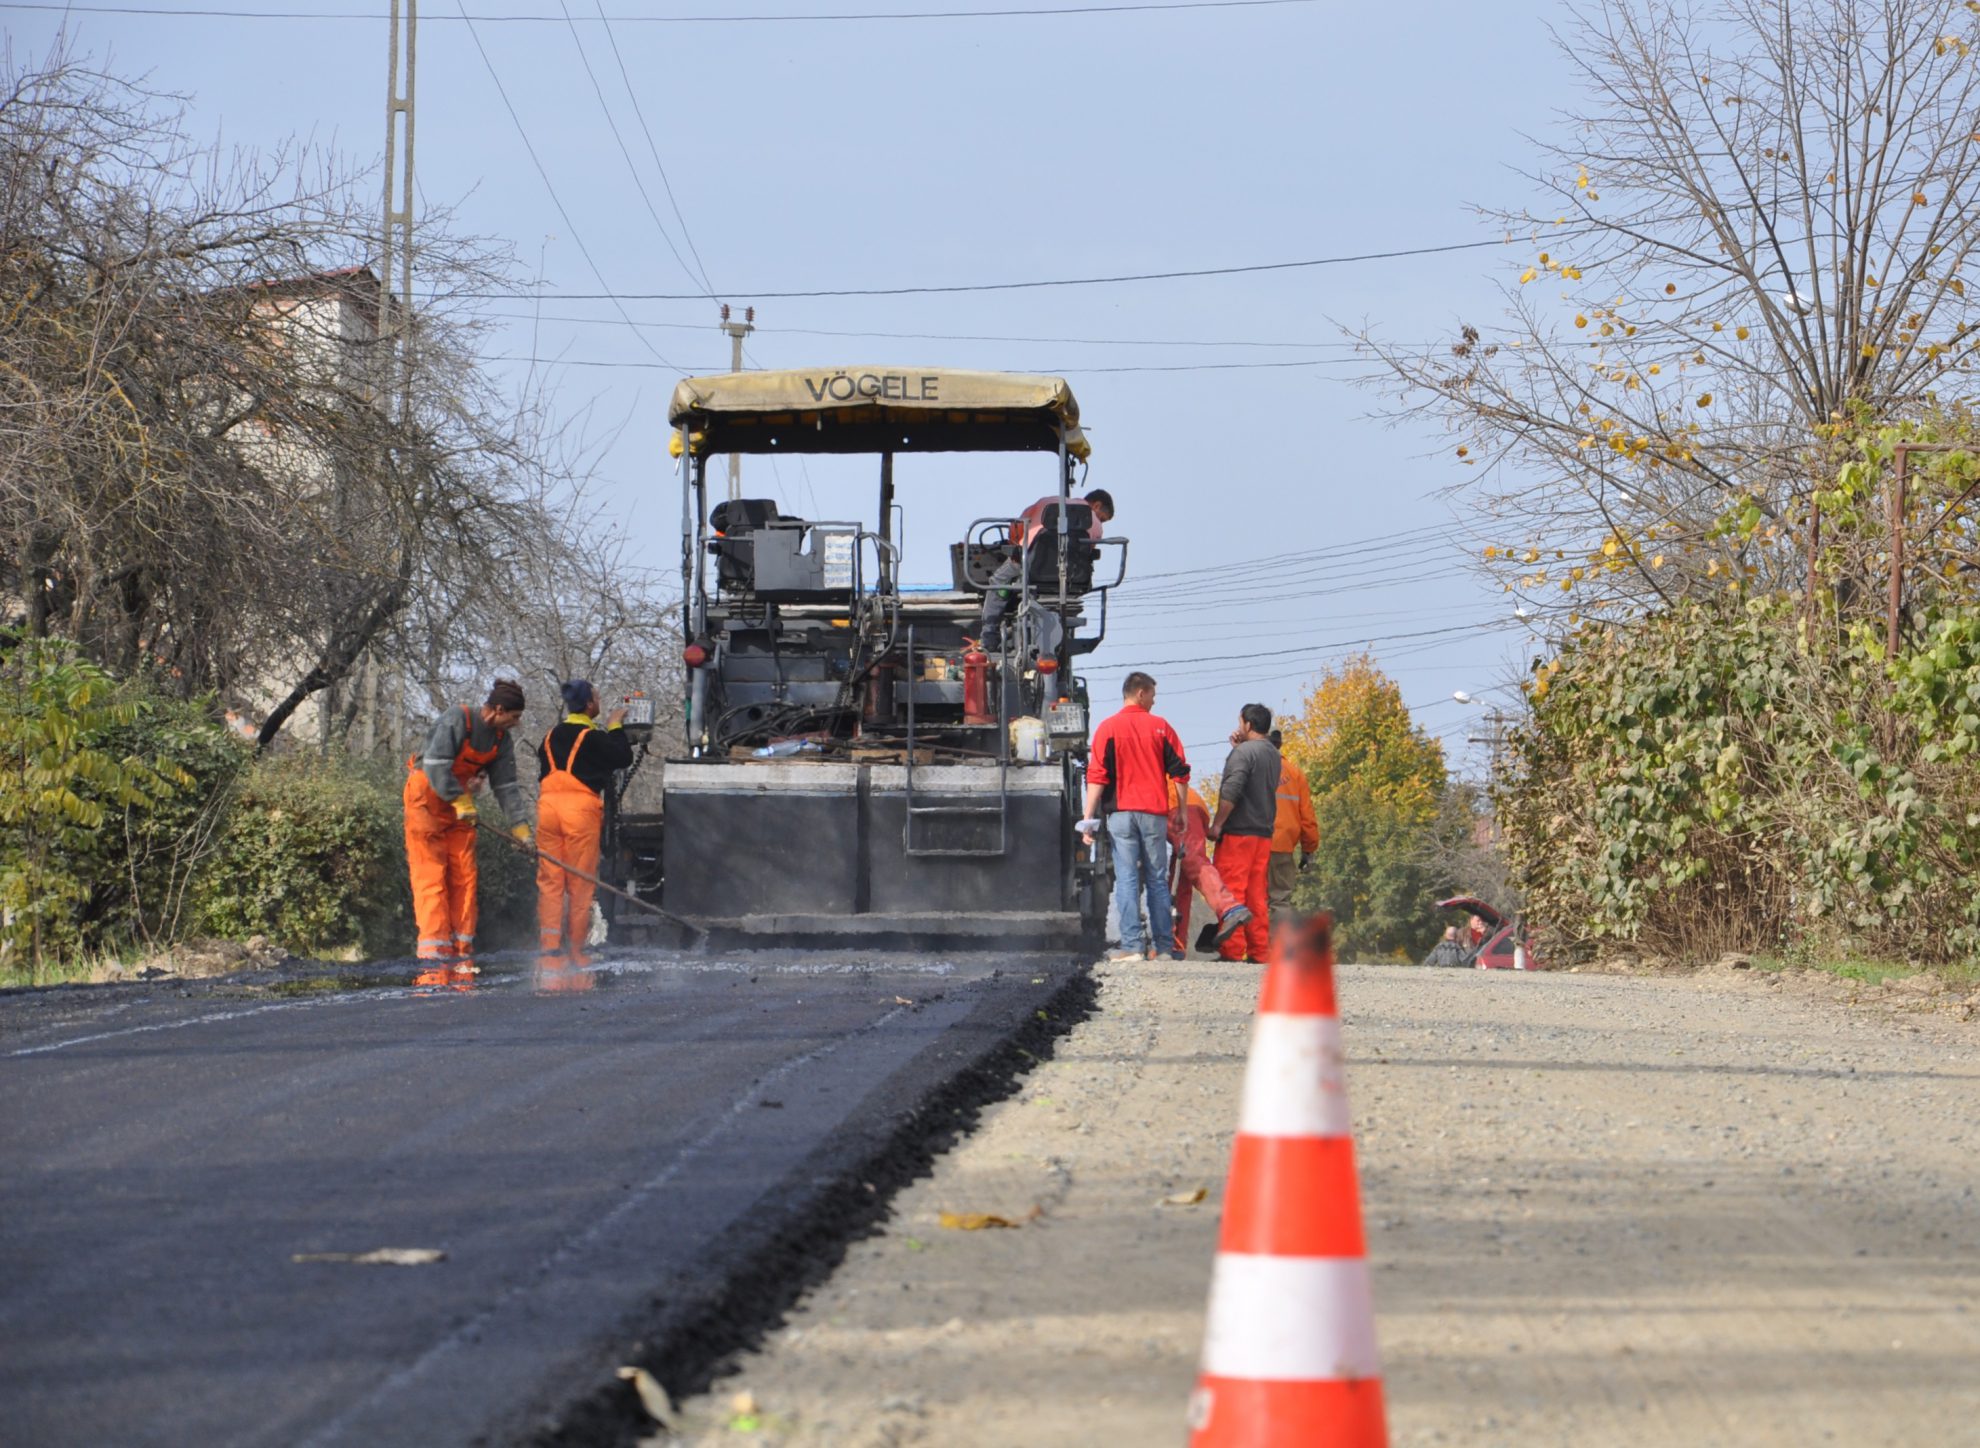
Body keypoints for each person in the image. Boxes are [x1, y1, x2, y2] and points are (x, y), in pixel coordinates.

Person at [403, 679, 531, 962]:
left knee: (465, 876)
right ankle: (434, 953)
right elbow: (436, 763)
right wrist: (458, 799)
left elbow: (507, 787)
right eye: (514, 716)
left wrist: (521, 829)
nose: (516, 723)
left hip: (460, 808)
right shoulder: (458, 719)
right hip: (426, 800)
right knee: (432, 877)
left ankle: (461, 951)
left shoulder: (501, 741)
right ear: (498, 710)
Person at [1079, 670, 1188, 963]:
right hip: (1154, 815)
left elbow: (1097, 777)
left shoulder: (1107, 729)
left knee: (1126, 879)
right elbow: (1180, 773)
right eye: (1152, 694)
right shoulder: (1161, 728)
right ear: (1140, 693)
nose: (1154, 700)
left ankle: (1132, 947)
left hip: (1121, 816)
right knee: (1157, 880)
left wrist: (1088, 818)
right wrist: (1182, 812)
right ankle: (1164, 948)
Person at [536, 679, 636, 956]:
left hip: (547, 811)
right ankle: (577, 947)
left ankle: (550, 947)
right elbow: (622, 757)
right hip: (578, 813)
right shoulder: (592, 738)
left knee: (551, 881)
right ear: (590, 704)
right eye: (597, 698)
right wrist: (616, 726)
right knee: (580, 882)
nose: (600, 703)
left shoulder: (548, 736)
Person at [977, 487, 1115, 653]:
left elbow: (1015, 529)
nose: (1101, 521)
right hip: (1070, 580)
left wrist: (1016, 545)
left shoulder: (1046, 502)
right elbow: (1088, 554)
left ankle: (989, 637)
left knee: (999, 582)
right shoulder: (1095, 524)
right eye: (1103, 518)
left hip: (1029, 566)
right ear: (1097, 506)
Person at [1208, 703, 1278, 964]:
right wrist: (1240, 749)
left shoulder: (1244, 754)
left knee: (1232, 892)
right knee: (1257, 896)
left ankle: (1232, 952)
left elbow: (1233, 790)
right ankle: (1260, 952)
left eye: (1241, 723)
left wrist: (1217, 825)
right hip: (1263, 835)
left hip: (1238, 835)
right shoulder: (1272, 753)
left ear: (1248, 725)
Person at [1166, 776, 1252, 958]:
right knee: (1181, 877)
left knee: (1193, 860)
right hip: (1191, 804)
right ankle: (1175, 945)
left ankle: (1229, 907)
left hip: (1177, 805)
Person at [1266, 728, 1318, 933]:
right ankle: (1278, 950)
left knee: (1253, 898)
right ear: (1280, 745)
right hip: (1283, 846)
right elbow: (1308, 818)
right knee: (1279, 899)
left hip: (1254, 843)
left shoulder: (1250, 765)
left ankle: (1255, 950)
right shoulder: (1295, 774)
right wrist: (1309, 850)